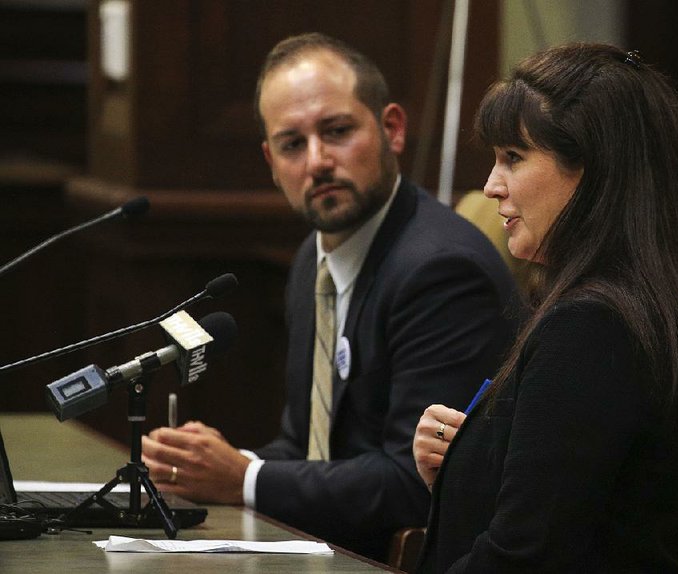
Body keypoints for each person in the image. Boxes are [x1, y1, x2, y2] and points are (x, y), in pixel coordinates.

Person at [140, 33, 519, 560]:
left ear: (392, 129)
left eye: (337, 131)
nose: (317, 161)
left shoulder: (440, 270)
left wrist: (245, 478)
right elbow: (307, 448)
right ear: (272, 162)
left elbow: (419, 483)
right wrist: (214, 466)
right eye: (293, 144)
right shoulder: (310, 263)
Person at [412, 43, 678, 573]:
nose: (491, 186)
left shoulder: (593, 327)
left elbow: (523, 559)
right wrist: (464, 462)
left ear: (593, 170)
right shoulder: (619, 309)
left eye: (513, 157)